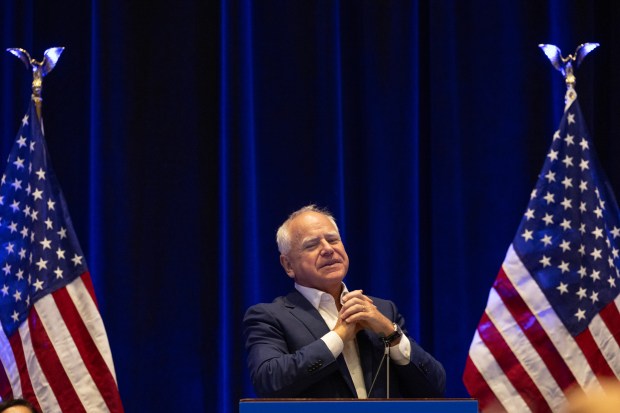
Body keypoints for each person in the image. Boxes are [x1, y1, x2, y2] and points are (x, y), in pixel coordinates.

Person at [243, 205, 446, 398]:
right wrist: (338, 337)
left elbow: (434, 386)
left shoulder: (383, 311)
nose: (328, 249)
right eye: (312, 245)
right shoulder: (269, 316)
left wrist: (391, 333)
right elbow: (268, 381)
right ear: (288, 264)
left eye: (333, 240)